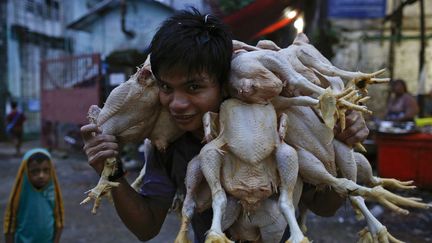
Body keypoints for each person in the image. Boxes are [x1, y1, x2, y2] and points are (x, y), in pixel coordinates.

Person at [80, 8, 369, 242]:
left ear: (223, 84)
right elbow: (147, 227)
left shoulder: (277, 123)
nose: (177, 103)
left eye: (194, 87)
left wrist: (337, 141)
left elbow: (325, 207)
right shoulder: (168, 143)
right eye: (167, 87)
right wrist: (111, 170)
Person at [3, 148, 64, 243]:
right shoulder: (19, 193)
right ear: (26, 172)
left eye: (46, 170)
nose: (41, 175)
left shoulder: (53, 192)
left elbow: (59, 219)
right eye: (35, 171)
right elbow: (10, 222)